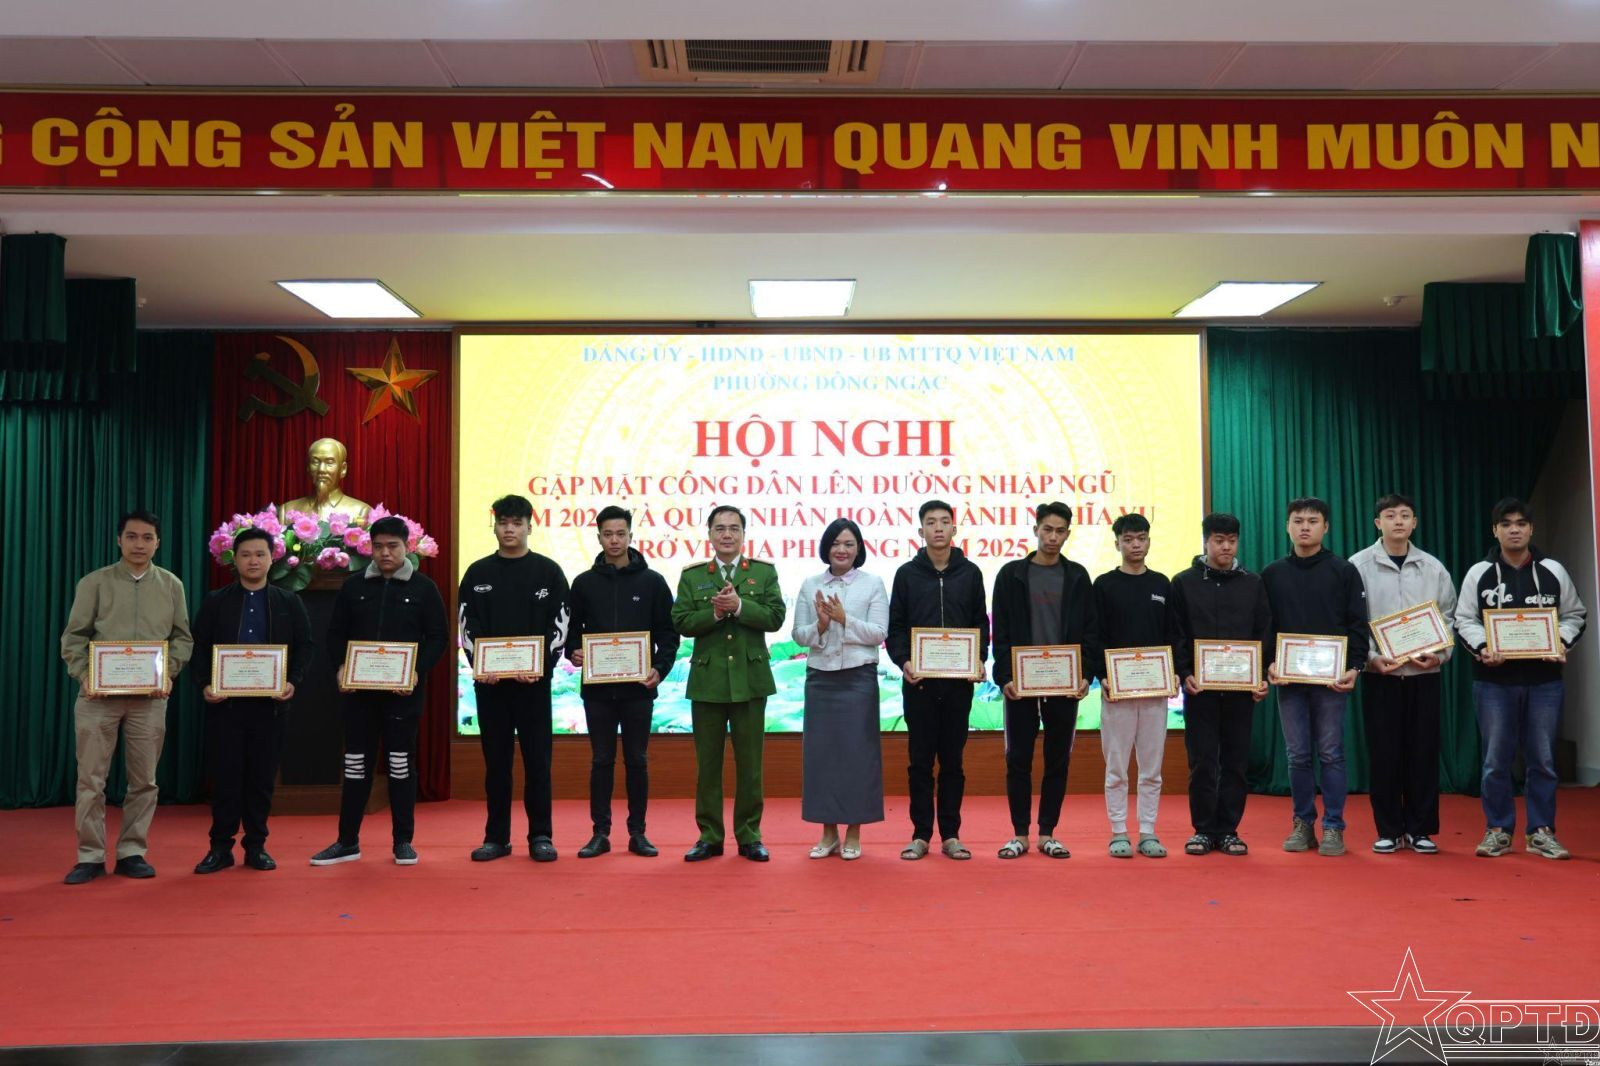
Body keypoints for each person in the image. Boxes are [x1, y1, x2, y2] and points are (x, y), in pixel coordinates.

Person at [59, 510, 194, 884]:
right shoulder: (94, 583)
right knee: (91, 780)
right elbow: (73, 637)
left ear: (157, 543)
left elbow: (182, 638)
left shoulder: (171, 585)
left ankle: (132, 852)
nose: (139, 544)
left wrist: (169, 672)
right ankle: (89, 856)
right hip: (97, 697)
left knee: (144, 780)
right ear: (119, 540)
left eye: (147, 538)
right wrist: (85, 675)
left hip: (149, 699)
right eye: (132, 536)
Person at [311, 516, 448, 867]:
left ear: (407, 547)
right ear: (369, 548)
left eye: (393, 546)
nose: (385, 553)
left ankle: (403, 841)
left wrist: (416, 670)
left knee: (400, 765)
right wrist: (341, 666)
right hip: (359, 696)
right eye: (379, 546)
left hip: (403, 696)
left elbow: (438, 637)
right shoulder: (353, 586)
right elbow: (335, 634)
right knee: (356, 765)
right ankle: (347, 842)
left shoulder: (424, 588)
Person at [1455, 497, 1587, 860]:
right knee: (1495, 760)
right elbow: (1464, 619)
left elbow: (1575, 614)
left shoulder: (1553, 571)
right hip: (1493, 682)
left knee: (1542, 760)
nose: (1514, 530)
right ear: (1495, 530)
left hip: (1544, 681)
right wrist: (1484, 647)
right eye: (1506, 524)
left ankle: (1541, 831)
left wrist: (1559, 642)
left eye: (1521, 523)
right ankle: (1498, 830)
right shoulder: (1478, 573)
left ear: (1531, 529)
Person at [189, 527, 314, 874]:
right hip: (225, 705)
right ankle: (220, 847)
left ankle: (256, 846)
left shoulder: (289, 602)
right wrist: (205, 684)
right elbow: (198, 647)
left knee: (261, 779)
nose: (253, 561)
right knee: (226, 778)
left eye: (260, 554)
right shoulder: (216, 601)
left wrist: (292, 681)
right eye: (245, 554)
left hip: (270, 706)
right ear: (235, 560)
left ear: (273, 558)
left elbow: (305, 646)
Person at [457, 495, 571, 863]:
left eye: (517, 523)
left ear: (529, 528)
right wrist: (481, 665)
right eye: (503, 523)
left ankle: (541, 836)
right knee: (497, 764)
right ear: (494, 527)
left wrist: (540, 666)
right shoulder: (477, 573)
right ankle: (496, 838)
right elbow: (466, 625)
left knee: (538, 762)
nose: (509, 529)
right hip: (490, 686)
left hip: (533, 685)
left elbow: (560, 625)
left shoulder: (548, 572)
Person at [670, 505, 786, 862]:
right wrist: (716, 612)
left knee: (750, 765)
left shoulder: (763, 573)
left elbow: (776, 617)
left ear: (743, 535)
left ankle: (749, 835)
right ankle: (710, 836)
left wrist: (738, 607)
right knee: (708, 766)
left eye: (734, 528)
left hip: (750, 680)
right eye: (720, 528)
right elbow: (681, 621)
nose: (727, 535)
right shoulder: (692, 576)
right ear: (709, 535)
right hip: (708, 682)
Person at [566, 505, 678, 858]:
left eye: (620, 534)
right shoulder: (583, 583)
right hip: (597, 690)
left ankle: (638, 833)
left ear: (631, 536)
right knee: (601, 760)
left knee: (637, 760)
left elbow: (668, 633)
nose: (614, 540)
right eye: (607, 534)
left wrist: (660, 668)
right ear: (598, 537)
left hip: (638, 690)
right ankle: (600, 833)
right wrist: (573, 651)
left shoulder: (652, 582)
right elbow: (571, 631)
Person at [1349, 494, 1457, 854]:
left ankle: (1421, 829)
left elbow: (1449, 616)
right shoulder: (1358, 565)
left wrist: (1438, 654)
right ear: (1377, 523)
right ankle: (1389, 829)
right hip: (1381, 675)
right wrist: (1371, 658)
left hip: (1424, 675)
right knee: (1384, 754)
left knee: (1423, 752)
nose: (1398, 521)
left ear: (1415, 523)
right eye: (1390, 515)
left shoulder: (1433, 567)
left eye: (1405, 515)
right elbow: (1353, 621)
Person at [991, 502, 1098, 860]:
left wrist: (1085, 674)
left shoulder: (1078, 576)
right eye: (1047, 529)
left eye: (1060, 531)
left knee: (1057, 760)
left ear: (1068, 534)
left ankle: (1047, 834)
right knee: (1018, 758)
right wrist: (1004, 676)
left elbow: (1090, 630)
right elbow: (1000, 631)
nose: (1053, 537)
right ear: (1035, 529)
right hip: (1021, 684)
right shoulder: (1011, 575)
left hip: (1063, 684)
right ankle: (1020, 834)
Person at [1262, 497, 1368, 857]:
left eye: (1312, 521)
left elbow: (1357, 623)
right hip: (1289, 681)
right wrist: (1270, 663)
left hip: (1331, 680)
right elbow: (1266, 626)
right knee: (1297, 756)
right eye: (1297, 521)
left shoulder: (1343, 571)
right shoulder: (1272, 573)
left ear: (1326, 527)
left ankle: (1334, 827)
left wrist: (1355, 667)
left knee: (1331, 753)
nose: (1304, 527)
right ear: (1287, 527)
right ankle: (1303, 824)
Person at [886, 499, 989, 860]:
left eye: (945, 521)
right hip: (920, 684)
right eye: (931, 522)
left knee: (953, 763)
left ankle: (951, 835)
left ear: (954, 529)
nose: (939, 528)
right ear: (921, 531)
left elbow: (980, 622)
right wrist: (904, 661)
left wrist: (979, 658)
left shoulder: (970, 573)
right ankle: (920, 835)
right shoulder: (907, 574)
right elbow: (896, 627)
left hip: (958, 685)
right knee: (919, 763)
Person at [1169, 513, 1271, 857]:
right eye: (1218, 540)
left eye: (1231, 540)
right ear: (1205, 542)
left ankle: (1228, 830)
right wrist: (1185, 672)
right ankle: (1202, 830)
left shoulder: (1253, 583)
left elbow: (1263, 632)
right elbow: (1177, 633)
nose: (1226, 547)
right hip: (1200, 690)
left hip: (1242, 691)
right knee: (1202, 762)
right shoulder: (1183, 583)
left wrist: (1260, 676)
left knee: (1235, 762)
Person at [792, 518, 889, 860]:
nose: (842, 550)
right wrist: (820, 625)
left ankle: (854, 831)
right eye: (835, 543)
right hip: (821, 679)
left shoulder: (873, 584)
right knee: (822, 757)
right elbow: (798, 635)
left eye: (849, 544)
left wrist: (844, 619)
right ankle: (828, 832)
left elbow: (879, 633)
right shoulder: (810, 585)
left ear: (858, 548)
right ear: (826, 548)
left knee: (857, 757)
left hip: (858, 680)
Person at [1092, 513, 1169, 859]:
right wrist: (1102, 675)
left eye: (1141, 538)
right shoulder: (1104, 585)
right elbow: (1094, 635)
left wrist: (1173, 672)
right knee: (1116, 767)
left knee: (1152, 768)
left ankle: (1148, 832)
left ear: (1148, 541)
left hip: (1155, 690)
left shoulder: (1162, 584)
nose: (1135, 545)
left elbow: (1172, 634)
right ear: (1117, 544)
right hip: (1117, 691)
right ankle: (1119, 831)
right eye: (1128, 539)